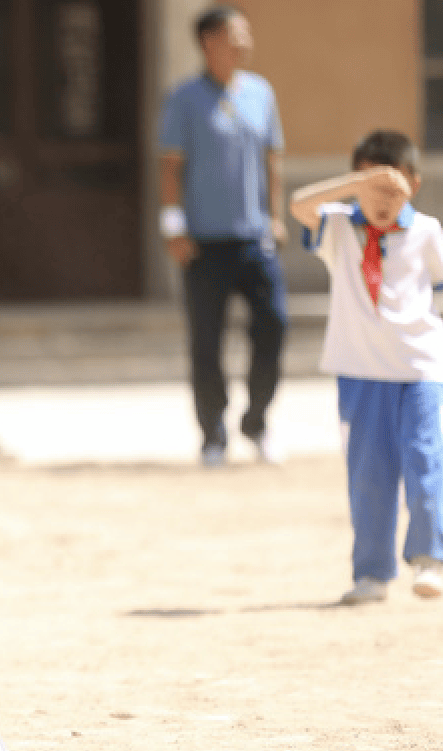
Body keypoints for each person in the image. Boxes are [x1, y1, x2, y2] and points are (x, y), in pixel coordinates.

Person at [289, 129, 443, 605]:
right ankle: (371, 573)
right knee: (369, 473)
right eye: (371, 186)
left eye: (394, 187)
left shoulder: (426, 231)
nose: (382, 198)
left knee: (424, 457)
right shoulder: (339, 228)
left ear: (415, 184)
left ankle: (429, 559)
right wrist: (352, 185)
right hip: (360, 371)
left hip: (420, 369)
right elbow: (298, 204)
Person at [158, 5, 289, 466]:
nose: (245, 42)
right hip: (204, 245)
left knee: (274, 325)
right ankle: (213, 433)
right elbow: (171, 167)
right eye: (236, 35)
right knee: (206, 341)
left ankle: (256, 421)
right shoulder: (184, 99)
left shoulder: (261, 94)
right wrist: (173, 228)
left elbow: (272, 160)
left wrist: (275, 217)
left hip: (255, 239)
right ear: (209, 41)